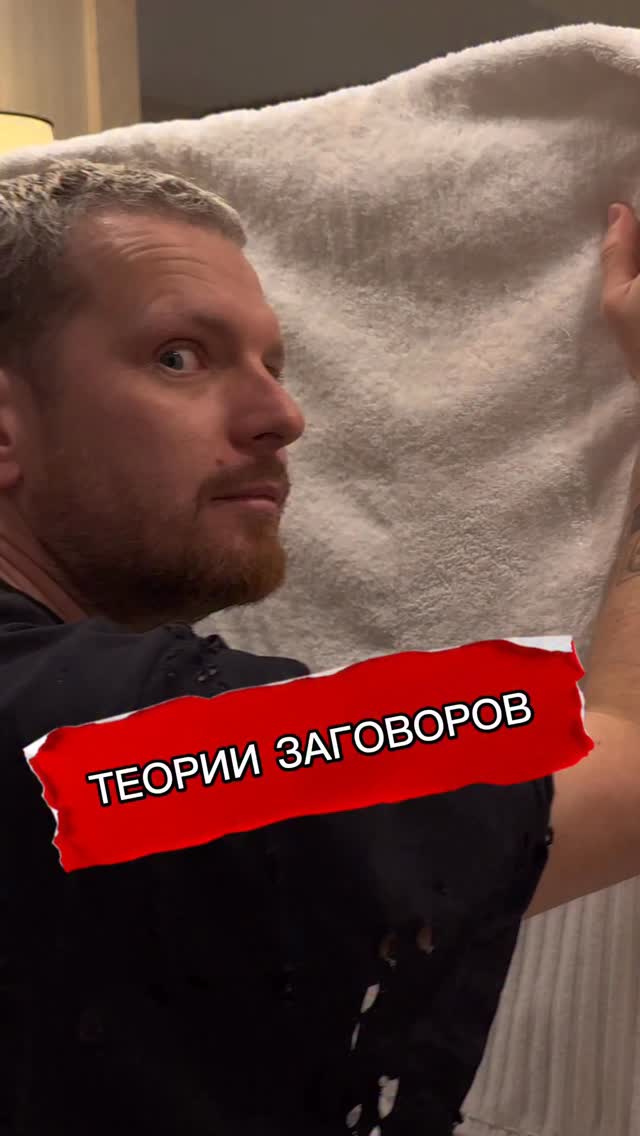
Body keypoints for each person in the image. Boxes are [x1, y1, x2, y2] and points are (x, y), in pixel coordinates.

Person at [0, 160, 632, 1136]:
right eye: (179, 356)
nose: (282, 417)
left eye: (273, 364)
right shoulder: (101, 745)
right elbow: (621, 756)